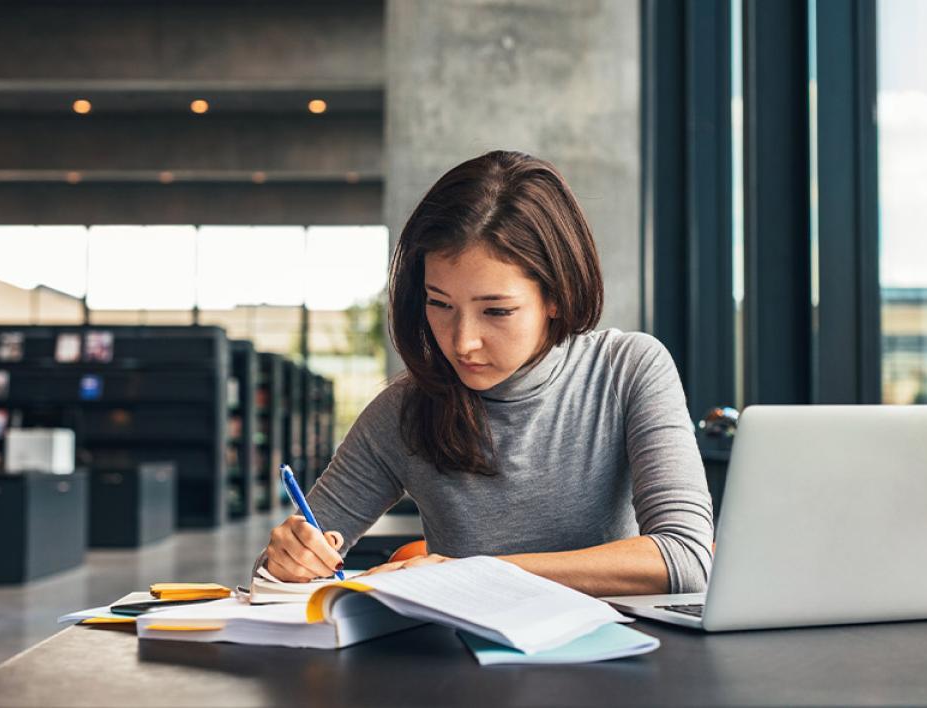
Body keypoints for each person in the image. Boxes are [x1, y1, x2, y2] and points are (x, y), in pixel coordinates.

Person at [262, 150, 713, 596]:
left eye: (496, 310)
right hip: (463, 664)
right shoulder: (403, 410)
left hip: (616, 659)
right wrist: (285, 561)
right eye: (439, 304)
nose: (462, 342)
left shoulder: (627, 370)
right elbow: (274, 577)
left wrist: (469, 572)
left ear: (556, 296)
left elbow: (685, 558)